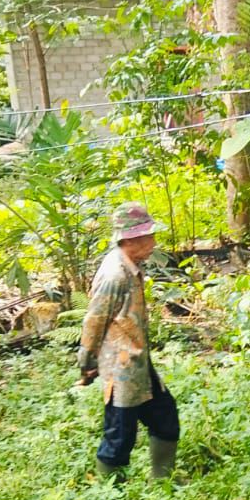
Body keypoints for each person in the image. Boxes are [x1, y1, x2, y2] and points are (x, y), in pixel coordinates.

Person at [78, 202, 178, 480]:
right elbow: (94, 321)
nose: (153, 242)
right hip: (120, 371)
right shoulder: (114, 274)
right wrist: (86, 361)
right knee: (120, 436)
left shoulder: (132, 265)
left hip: (138, 365)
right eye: (148, 237)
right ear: (130, 239)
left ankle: (163, 480)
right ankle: (110, 495)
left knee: (166, 417)